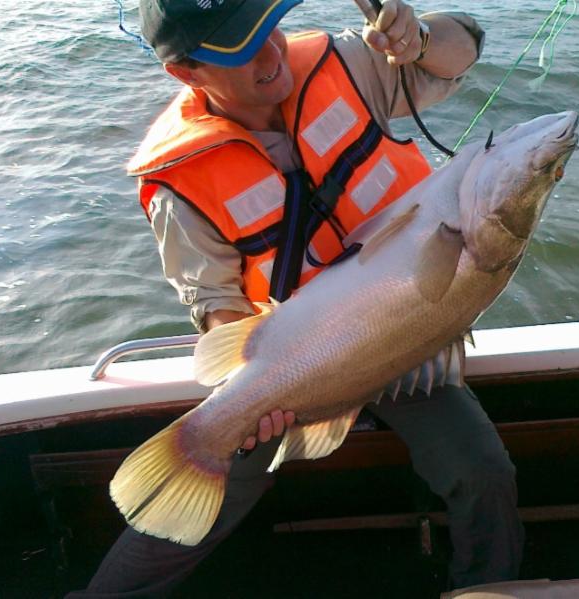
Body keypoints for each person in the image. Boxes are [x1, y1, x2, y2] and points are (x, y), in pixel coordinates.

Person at [68, 0, 523, 596]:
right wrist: (262, 392)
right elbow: (217, 307)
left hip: (403, 343)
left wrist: (421, 36)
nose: (272, 52)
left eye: (270, 28)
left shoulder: (347, 64)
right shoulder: (176, 185)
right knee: (204, 481)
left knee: (485, 471)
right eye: (241, 48)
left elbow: (461, 52)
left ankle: (488, 590)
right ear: (187, 73)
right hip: (298, 365)